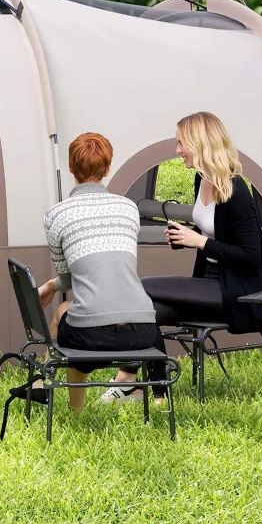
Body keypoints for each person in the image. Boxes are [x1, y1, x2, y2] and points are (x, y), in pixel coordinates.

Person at [28, 132, 170, 409]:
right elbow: (110, 266)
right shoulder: (128, 208)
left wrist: (50, 285)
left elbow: (71, 276)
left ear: (71, 167)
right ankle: (46, 382)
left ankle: (66, 401)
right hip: (144, 332)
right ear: (107, 168)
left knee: (62, 312)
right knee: (70, 311)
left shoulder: (56, 215)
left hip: (90, 338)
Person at [142, 111, 262, 335]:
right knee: (147, 312)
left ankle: (133, 371)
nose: (177, 151)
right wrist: (185, 237)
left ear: (199, 143)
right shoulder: (201, 179)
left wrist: (200, 242)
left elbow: (251, 257)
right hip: (207, 280)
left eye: (182, 143)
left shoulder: (235, 191)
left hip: (235, 290)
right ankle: (149, 371)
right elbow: (213, 230)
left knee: (142, 286)